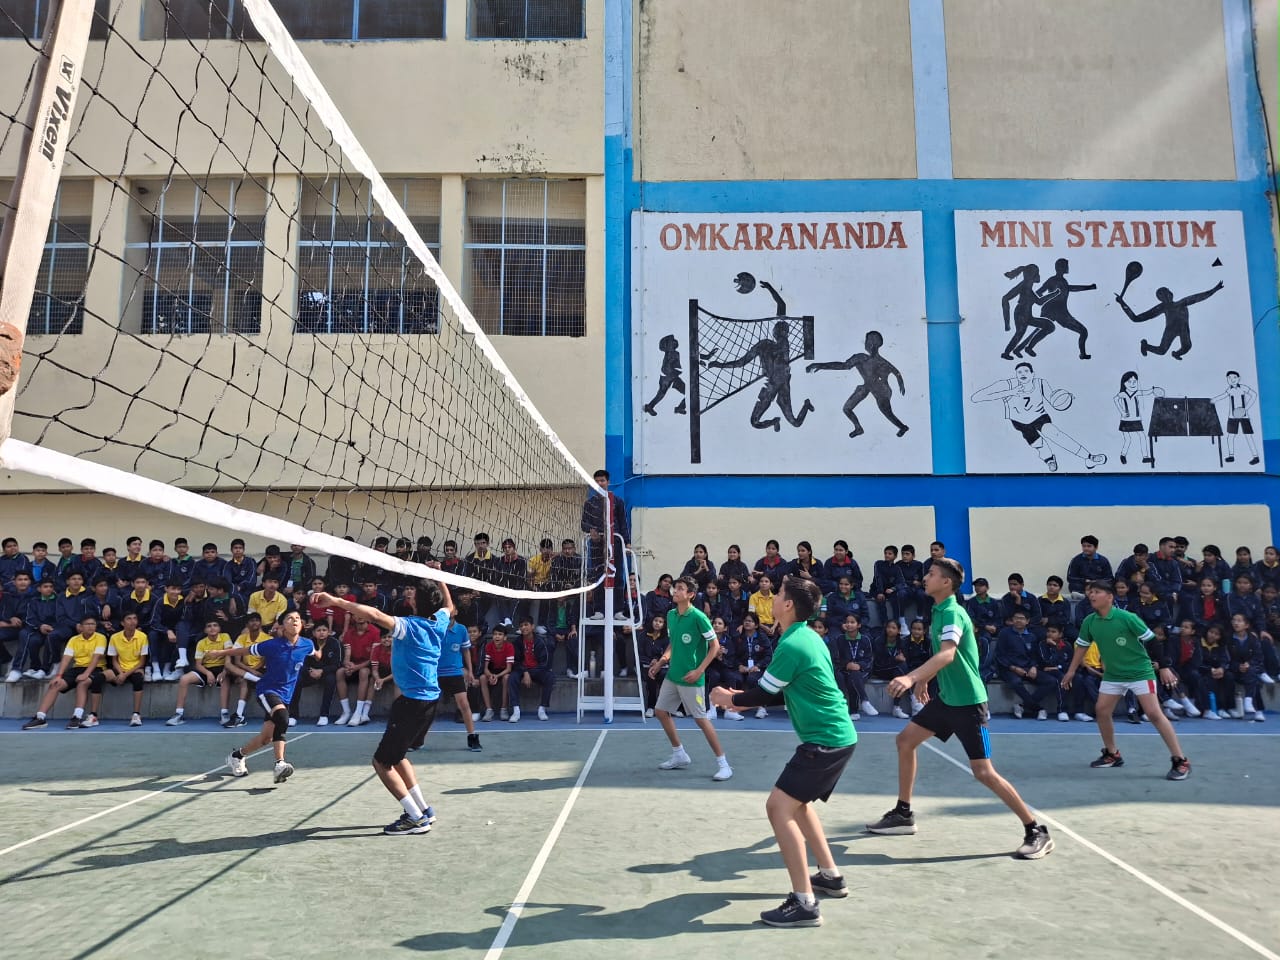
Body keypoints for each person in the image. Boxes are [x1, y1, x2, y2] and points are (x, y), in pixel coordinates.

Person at [866, 557, 1054, 860]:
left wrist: (911, 677)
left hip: (968, 703)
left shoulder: (953, 612)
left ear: (946, 582)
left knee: (983, 772)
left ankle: (1036, 831)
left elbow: (948, 654)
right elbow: (940, 657)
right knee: (905, 741)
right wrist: (924, 680)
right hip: (947, 699)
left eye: (931, 574)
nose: (925, 578)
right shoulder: (938, 610)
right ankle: (903, 814)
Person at [709, 576, 856, 928]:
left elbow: (763, 694)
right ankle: (831, 877)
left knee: (778, 807)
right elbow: (779, 691)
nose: (773, 598)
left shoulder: (792, 644)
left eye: (778, 595)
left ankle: (804, 903)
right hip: (835, 737)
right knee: (798, 805)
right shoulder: (806, 636)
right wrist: (739, 700)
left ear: (788, 605)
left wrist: (729, 699)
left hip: (825, 739)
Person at [315, 580, 453, 835]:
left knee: (381, 762)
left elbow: (375, 615)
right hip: (429, 701)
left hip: (412, 704)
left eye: (412, 594)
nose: (409, 595)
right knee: (397, 757)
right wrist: (441, 578)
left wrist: (336, 601)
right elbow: (449, 606)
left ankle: (415, 818)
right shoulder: (439, 623)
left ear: (415, 601)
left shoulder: (409, 626)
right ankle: (424, 810)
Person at [1062, 580, 1191, 779]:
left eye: (1096, 592)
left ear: (1110, 597)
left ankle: (1180, 761)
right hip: (1113, 674)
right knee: (1102, 711)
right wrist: (1071, 671)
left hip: (1140, 672)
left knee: (1154, 714)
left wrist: (1164, 667)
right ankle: (1112, 754)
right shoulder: (1089, 621)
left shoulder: (1128, 618)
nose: (1091, 595)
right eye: (1090, 592)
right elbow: (1082, 646)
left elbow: (1152, 641)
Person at [646, 575, 732, 781]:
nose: (675, 591)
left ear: (691, 594)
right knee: (660, 711)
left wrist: (699, 671)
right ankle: (679, 754)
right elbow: (673, 644)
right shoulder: (671, 615)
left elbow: (715, 647)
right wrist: (661, 662)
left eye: (680, 589)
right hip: (673, 675)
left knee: (701, 719)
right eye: (675, 588)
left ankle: (724, 764)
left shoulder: (699, 617)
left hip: (692, 678)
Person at [220, 610, 320, 783]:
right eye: (290, 618)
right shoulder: (271, 645)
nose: (295, 621)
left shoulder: (307, 644)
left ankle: (237, 756)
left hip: (285, 695)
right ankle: (279, 764)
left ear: (302, 624)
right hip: (267, 691)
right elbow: (244, 650)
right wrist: (219, 653)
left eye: (298, 618)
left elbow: (316, 654)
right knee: (282, 717)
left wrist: (321, 650)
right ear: (282, 626)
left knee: (266, 738)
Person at [21, 614, 106, 730]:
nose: (90, 626)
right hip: (77, 668)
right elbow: (66, 658)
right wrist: (59, 675)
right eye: (87, 624)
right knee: (55, 684)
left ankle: (77, 717)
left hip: (96, 668)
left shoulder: (101, 638)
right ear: (80, 627)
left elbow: (96, 658)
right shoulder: (74, 639)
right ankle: (40, 718)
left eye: (93, 624)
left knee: (83, 683)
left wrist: (86, 674)